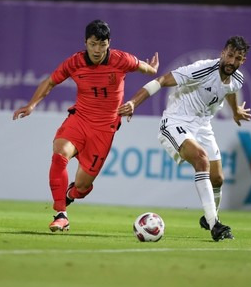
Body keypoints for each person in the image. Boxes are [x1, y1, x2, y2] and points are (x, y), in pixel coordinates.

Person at [13, 19, 159, 231]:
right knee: (60, 152)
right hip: (80, 119)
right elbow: (50, 82)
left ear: (109, 43)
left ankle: (71, 194)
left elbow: (142, 67)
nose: (97, 49)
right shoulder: (75, 62)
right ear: (85, 43)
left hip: (105, 128)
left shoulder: (121, 59)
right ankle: (61, 214)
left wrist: (152, 70)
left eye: (102, 44)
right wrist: (32, 104)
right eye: (92, 44)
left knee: (82, 186)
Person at [118, 36, 251, 241]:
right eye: (230, 55)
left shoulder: (237, 78)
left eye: (238, 58)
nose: (232, 62)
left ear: (243, 61)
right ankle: (214, 223)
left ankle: (209, 217)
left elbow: (230, 91)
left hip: (203, 126)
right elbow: (161, 80)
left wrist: (235, 111)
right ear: (223, 53)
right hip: (176, 121)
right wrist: (134, 103)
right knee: (201, 158)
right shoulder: (203, 69)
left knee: (218, 179)